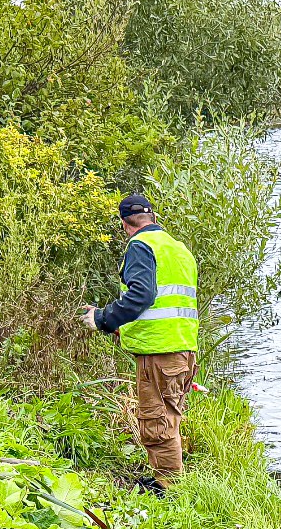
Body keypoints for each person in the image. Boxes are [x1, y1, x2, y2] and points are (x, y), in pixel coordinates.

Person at [80, 194, 198, 488]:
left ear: (124, 224)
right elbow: (165, 304)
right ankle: (169, 477)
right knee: (169, 415)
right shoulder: (178, 248)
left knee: (156, 419)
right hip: (183, 346)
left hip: (158, 351)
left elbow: (142, 297)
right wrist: (121, 325)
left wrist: (103, 319)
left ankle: (169, 487)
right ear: (153, 217)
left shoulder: (140, 246)